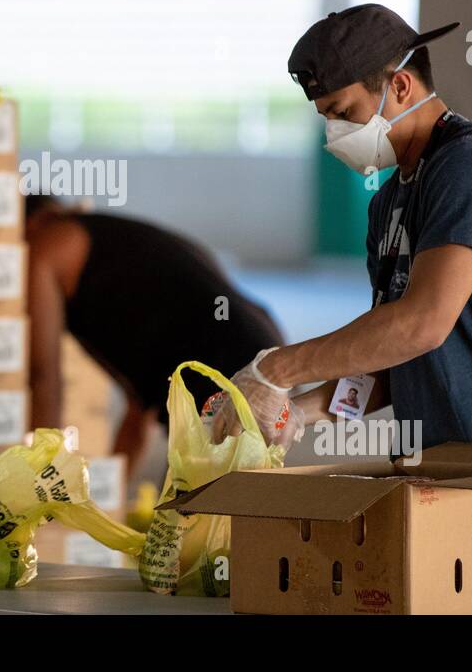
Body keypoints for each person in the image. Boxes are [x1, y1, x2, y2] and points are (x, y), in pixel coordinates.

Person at [213, 3, 472, 613]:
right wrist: (304, 410)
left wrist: (277, 370)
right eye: (325, 119)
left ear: (399, 85)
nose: (334, 134)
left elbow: (421, 323)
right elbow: (389, 356)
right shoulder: (388, 202)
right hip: (443, 480)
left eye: (343, 114)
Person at [25, 194, 283, 471]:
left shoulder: (47, 244)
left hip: (230, 368)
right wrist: (112, 492)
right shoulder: (114, 250)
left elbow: (43, 375)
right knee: (208, 502)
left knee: (204, 505)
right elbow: (139, 405)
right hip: (264, 350)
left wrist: (39, 472)